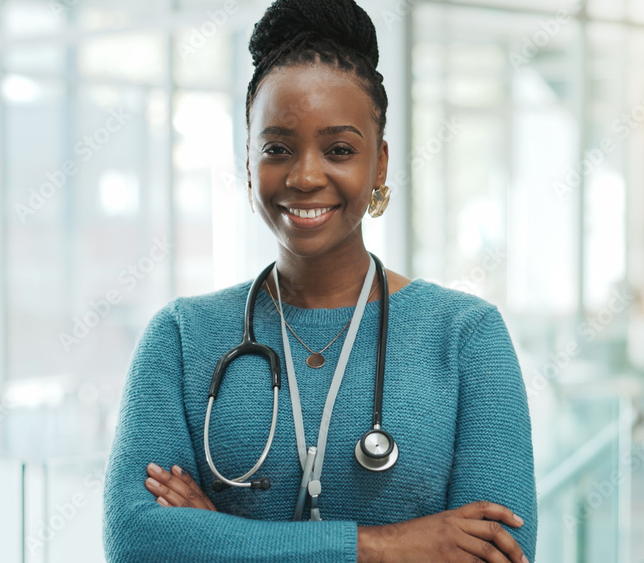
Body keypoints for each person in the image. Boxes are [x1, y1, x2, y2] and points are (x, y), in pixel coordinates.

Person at [101, 0, 537, 560]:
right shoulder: (181, 338)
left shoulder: (466, 336)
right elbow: (136, 543)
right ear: (249, 161)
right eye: (277, 148)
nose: (306, 175)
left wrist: (223, 539)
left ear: (379, 164)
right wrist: (384, 546)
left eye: (339, 149)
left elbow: (501, 552)